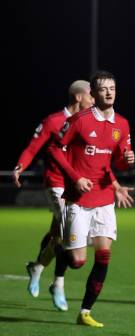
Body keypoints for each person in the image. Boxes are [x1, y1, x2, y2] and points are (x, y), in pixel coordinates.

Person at [48, 71, 135, 327]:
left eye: (113, 88)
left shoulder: (122, 124)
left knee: (104, 254)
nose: (109, 92)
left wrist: (126, 161)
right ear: (94, 94)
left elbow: (117, 159)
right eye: (103, 89)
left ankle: (85, 312)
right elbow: (54, 149)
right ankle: (57, 249)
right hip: (79, 199)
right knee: (77, 261)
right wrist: (75, 177)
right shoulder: (79, 120)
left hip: (105, 198)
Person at [13, 80, 94, 309]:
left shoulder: (88, 123)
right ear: (79, 97)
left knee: (56, 233)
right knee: (68, 232)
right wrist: (20, 167)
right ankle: (58, 284)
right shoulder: (54, 121)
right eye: (90, 95)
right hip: (56, 183)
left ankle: (37, 267)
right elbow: (32, 147)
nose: (93, 100)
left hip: (77, 186)